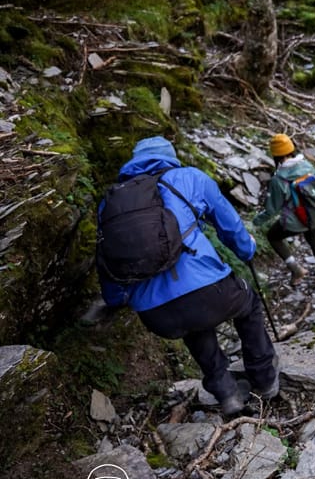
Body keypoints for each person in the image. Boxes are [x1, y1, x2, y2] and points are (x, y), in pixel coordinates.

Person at [99, 136, 279, 417]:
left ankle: (227, 394)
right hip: (209, 293)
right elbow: (229, 226)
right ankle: (265, 379)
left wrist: (114, 300)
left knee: (193, 326)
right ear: (169, 156)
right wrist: (247, 250)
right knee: (248, 304)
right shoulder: (188, 178)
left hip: (155, 314)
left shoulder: (111, 202)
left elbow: (106, 256)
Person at [254, 133, 315, 285]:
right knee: (313, 237)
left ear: (275, 156)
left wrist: (255, 222)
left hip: (297, 220)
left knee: (273, 237)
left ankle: (296, 270)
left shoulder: (279, 179)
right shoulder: (307, 165)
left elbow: (272, 209)